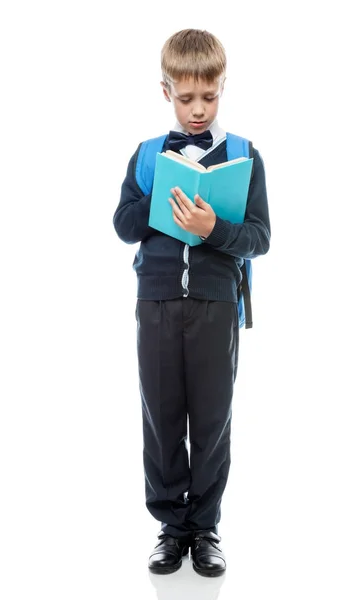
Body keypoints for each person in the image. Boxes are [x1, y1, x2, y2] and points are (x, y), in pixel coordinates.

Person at [113, 28, 270, 577]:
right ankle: (169, 527)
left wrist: (211, 229)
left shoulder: (245, 156)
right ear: (166, 92)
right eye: (186, 98)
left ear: (222, 88)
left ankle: (204, 528)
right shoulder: (149, 155)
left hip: (216, 304)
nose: (198, 110)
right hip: (155, 302)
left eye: (210, 96)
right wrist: (165, 194)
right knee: (160, 417)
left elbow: (259, 238)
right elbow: (123, 225)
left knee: (211, 420)